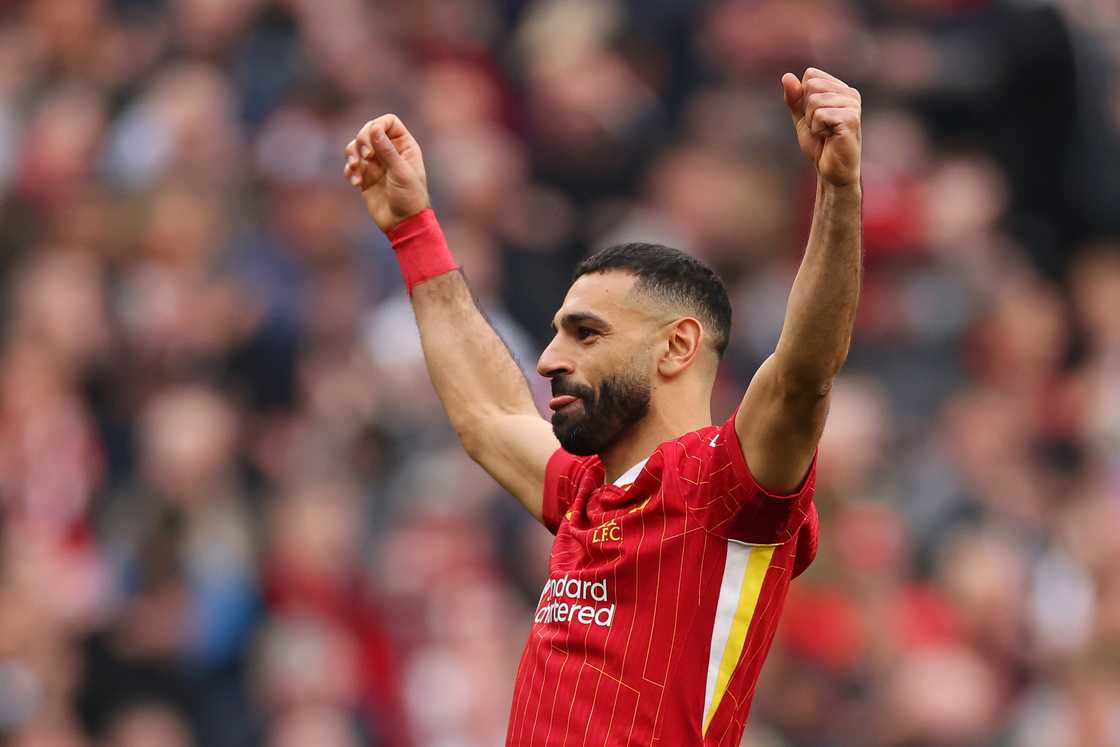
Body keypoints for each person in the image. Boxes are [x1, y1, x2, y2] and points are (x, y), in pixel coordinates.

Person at [344, 67, 862, 746]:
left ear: (677, 346)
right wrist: (413, 229)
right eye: (558, 331)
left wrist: (837, 189)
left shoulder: (728, 486)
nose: (551, 358)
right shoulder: (585, 492)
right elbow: (488, 415)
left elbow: (804, 372)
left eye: (586, 333)